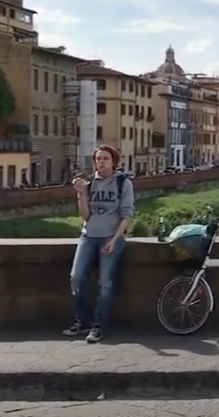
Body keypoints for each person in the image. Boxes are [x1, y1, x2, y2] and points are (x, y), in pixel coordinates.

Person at [62, 145, 135, 343]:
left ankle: (98, 326)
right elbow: (85, 216)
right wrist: (81, 194)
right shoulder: (90, 183)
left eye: (105, 158)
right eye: (98, 159)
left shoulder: (123, 183)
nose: (101, 162)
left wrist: (114, 240)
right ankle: (81, 321)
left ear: (113, 162)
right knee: (76, 278)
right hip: (88, 236)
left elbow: (127, 215)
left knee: (105, 283)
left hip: (111, 237)